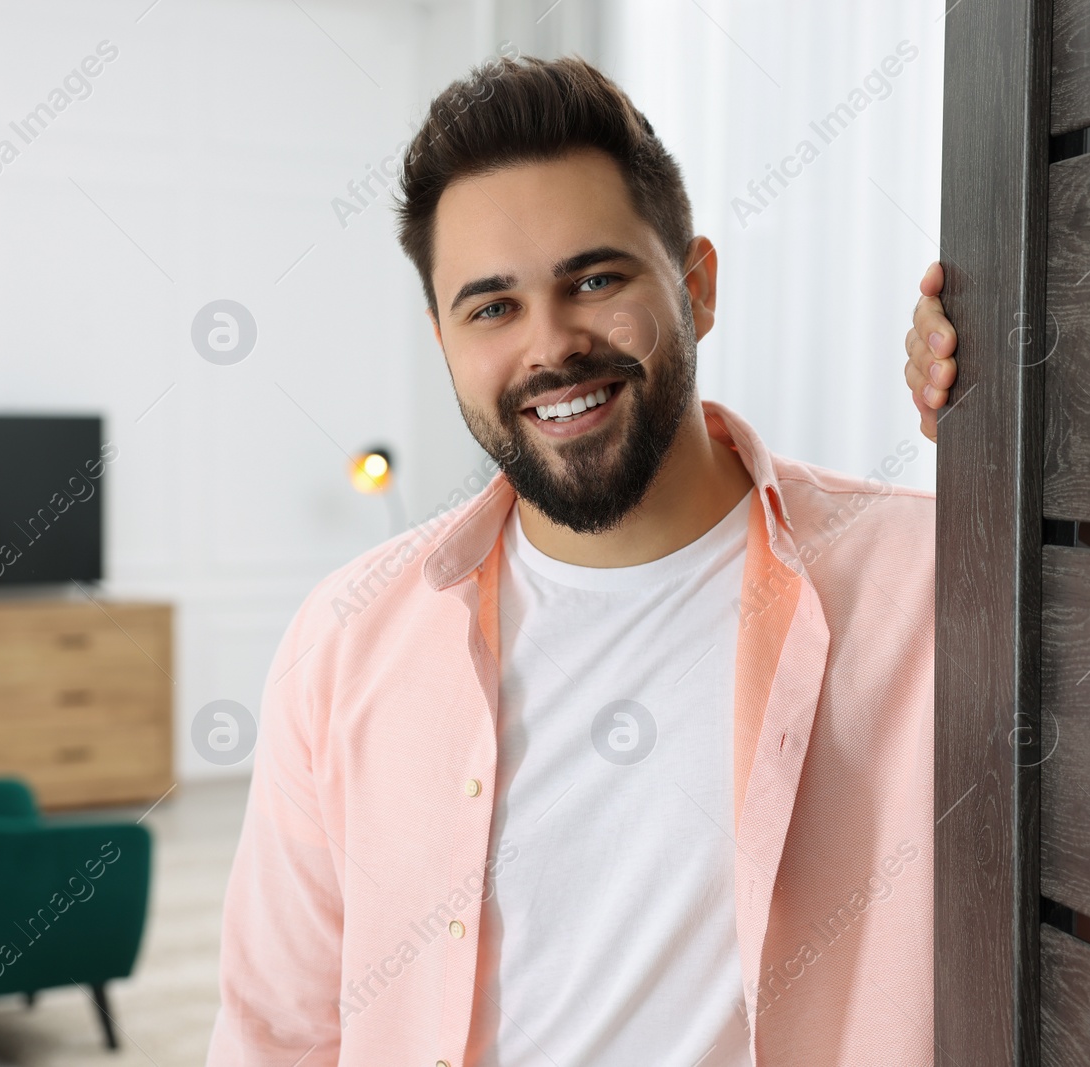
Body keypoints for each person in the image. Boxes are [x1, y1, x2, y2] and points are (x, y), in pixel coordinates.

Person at [207, 54, 957, 1067]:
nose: (550, 346)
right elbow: (276, 1032)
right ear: (441, 338)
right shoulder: (344, 639)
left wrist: (1027, 424)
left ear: (695, 285)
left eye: (594, 280)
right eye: (491, 307)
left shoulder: (929, 580)